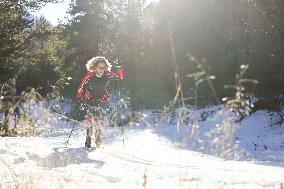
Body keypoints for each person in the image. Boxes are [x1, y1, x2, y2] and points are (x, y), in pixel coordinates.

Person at [76, 56, 123, 148]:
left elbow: (119, 77)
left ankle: (98, 139)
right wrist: (80, 99)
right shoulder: (89, 75)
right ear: (94, 67)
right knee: (89, 119)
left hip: (102, 99)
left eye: (104, 67)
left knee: (99, 119)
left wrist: (120, 67)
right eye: (99, 67)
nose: (102, 70)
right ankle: (88, 139)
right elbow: (80, 88)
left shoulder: (108, 74)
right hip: (89, 99)